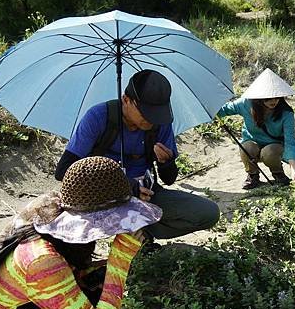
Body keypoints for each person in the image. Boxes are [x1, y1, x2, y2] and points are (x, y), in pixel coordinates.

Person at [0, 156, 162, 309]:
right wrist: (119, 261)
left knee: (95, 289)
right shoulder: (42, 261)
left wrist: (100, 271)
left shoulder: (50, 213)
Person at [55, 69, 220, 243]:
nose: (151, 120)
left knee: (208, 213)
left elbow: (169, 179)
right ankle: (121, 234)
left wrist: (166, 163)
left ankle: (142, 233)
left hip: (146, 198)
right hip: (103, 202)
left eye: (157, 114)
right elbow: (63, 171)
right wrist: (126, 187)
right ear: (126, 100)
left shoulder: (159, 123)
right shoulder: (98, 117)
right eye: (146, 113)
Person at [217, 68, 295, 190]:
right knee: (246, 147)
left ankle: (278, 173)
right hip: (252, 145)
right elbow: (224, 110)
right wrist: (210, 109)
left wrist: (294, 171)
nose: (273, 101)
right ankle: (253, 175)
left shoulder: (286, 113)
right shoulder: (245, 104)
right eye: (268, 98)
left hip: (275, 147)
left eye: (277, 97)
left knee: (269, 152)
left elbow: (290, 142)